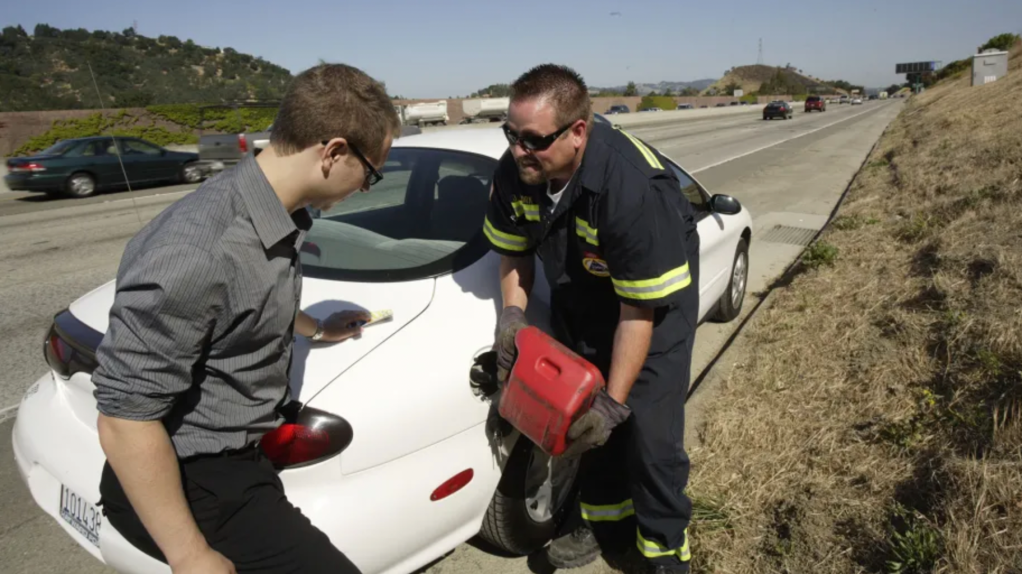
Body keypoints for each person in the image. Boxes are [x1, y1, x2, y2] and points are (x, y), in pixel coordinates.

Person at [92, 63, 402, 574]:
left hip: (241, 461)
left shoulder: (272, 211)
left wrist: (316, 327)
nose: (367, 188)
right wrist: (189, 555)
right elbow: (124, 418)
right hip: (200, 480)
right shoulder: (196, 248)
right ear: (333, 153)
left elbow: (244, 302)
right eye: (371, 173)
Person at [486, 64, 700, 574]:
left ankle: (665, 550)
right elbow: (514, 252)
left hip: (648, 312)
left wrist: (612, 404)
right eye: (511, 135)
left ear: (578, 132)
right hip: (581, 299)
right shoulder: (518, 169)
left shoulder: (631, 190)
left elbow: (637, 310)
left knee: (647, 440)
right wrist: (512, 317)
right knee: (582, 432)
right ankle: (605, 526)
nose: (519, 150)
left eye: (533, 140)